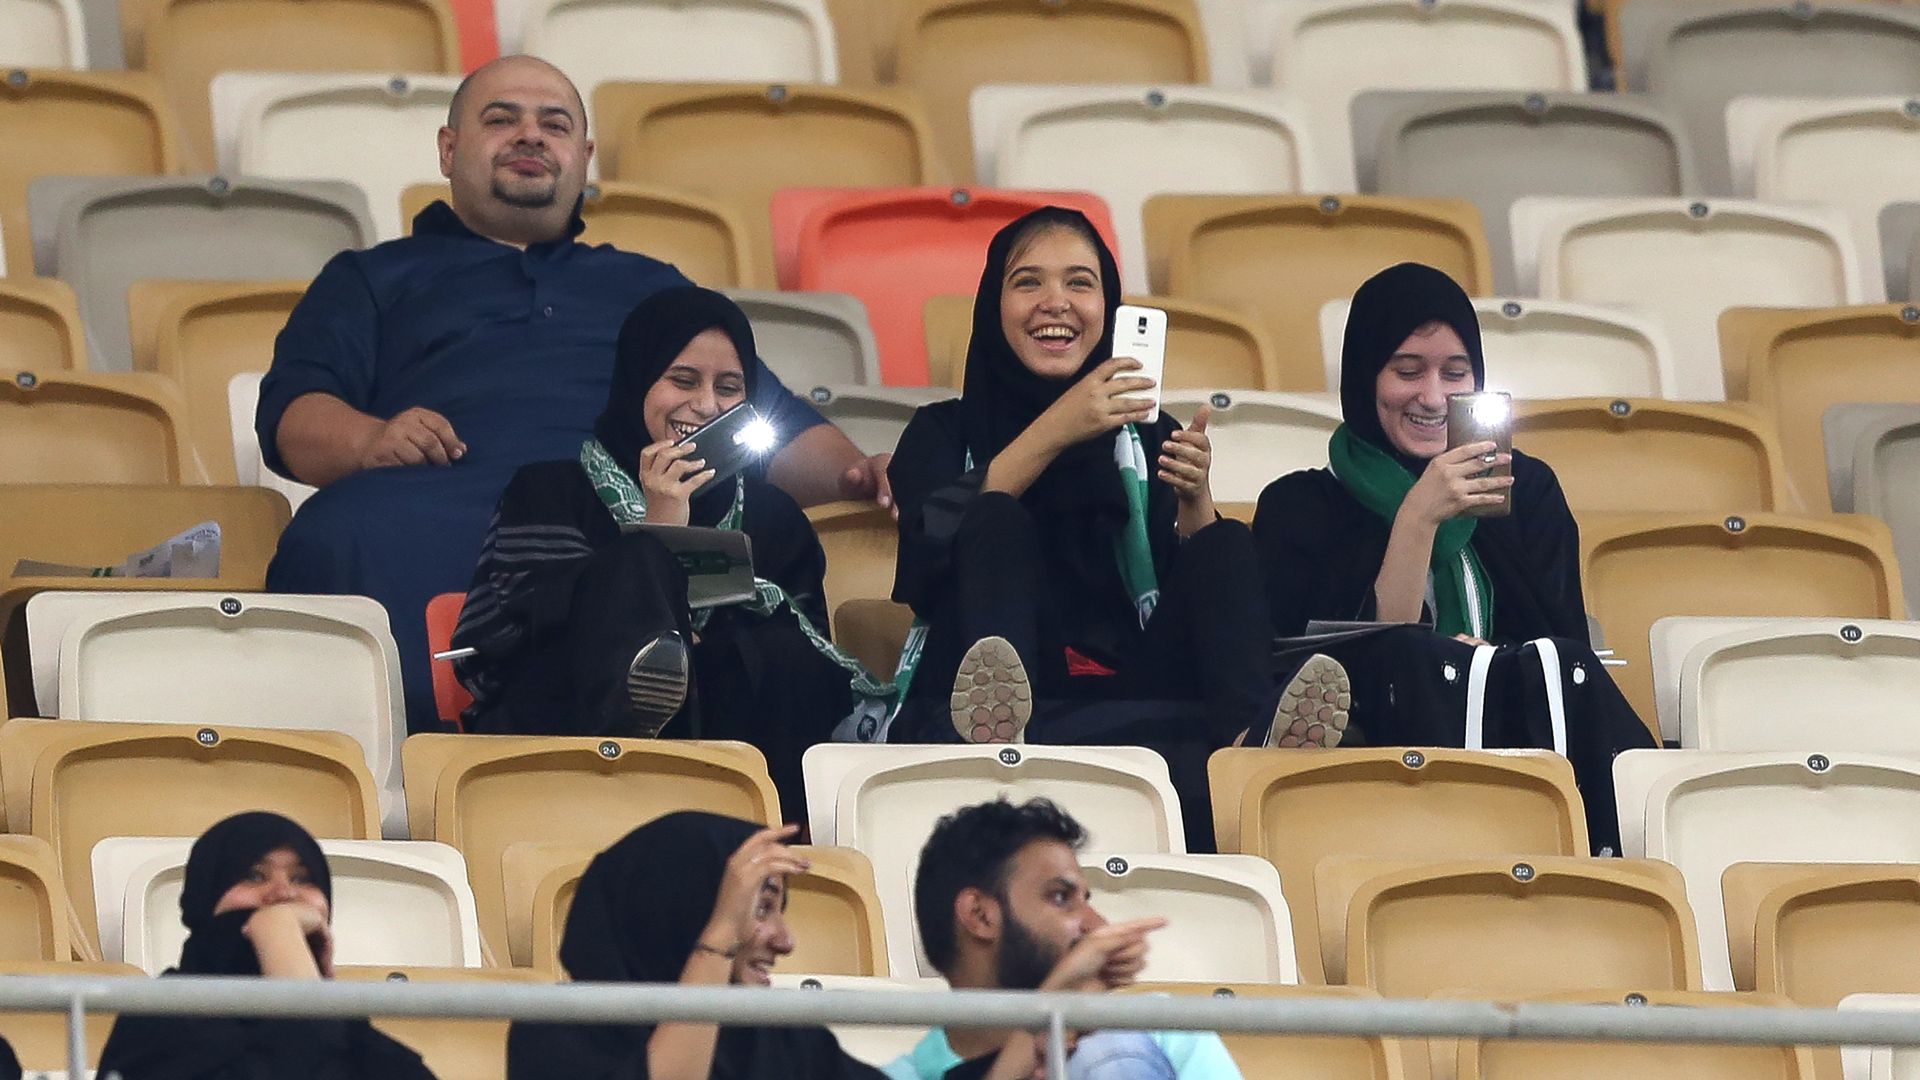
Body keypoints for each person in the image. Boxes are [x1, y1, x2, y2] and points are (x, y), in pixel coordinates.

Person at [255, 55, 892, 734]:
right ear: (448, 149)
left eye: (553, 125)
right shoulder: (372, 276)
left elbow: (765, 419)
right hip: (431, 495)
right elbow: (292, 416)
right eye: (502, 119)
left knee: (751, 538)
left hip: (615, 502)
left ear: (584, 157)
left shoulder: (649, 284)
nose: (530, 135)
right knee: (334, 533)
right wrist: (369, 440)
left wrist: (864, 474)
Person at [1251, 262, 1654, 851]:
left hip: (1518, 733)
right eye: (1407, 372)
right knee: (1415, 655)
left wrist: (1489, 662)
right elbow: (1348, 663)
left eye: (1455, 373)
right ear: (1366, 377)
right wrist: (1419, 515)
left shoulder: (1526, 489)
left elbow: (1561, 643)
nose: (1433, 397)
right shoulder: (1300, 506)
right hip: (1382, 753)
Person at [451, 286, 869, 815]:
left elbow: (808, 659)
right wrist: (660, 531)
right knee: (637, 562)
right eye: (683, 379)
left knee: (788, 656)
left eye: (729, 386)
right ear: (637, 380)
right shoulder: (551, 491)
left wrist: (694, 645)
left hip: (731, 731)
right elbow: (518, 632)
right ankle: (638, 721)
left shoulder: (773, 516)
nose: (706, 405)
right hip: (573, 727)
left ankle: (764, 823)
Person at [507, 812, 885, 1080]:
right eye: (761, 908)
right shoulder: (553, 1031)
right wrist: (720, 937)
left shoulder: (782, 1042)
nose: (786, 941)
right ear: (683, 908)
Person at [885, 798, 1242, 1080]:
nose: (1097, 925)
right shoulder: (898, 1076)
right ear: (980, 916)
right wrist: (1053, 1009)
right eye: (1060, 898)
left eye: (1087, 900)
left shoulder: (1162, 1027)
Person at [95, 811, 437, 1080]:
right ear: (206, 896)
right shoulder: (155, 1021)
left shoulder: (359, 1040)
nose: (283, 894)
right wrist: (278, 932)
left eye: (302, 878)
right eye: (255, 876)